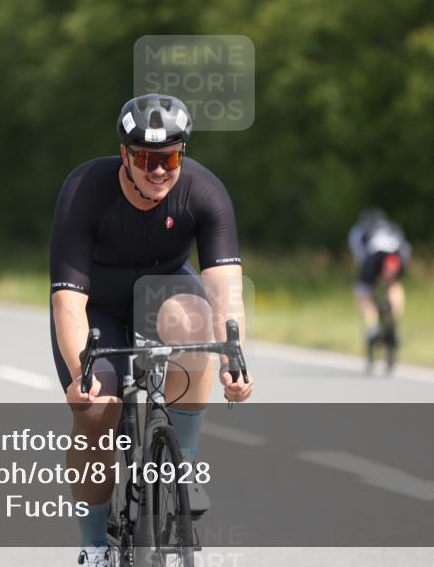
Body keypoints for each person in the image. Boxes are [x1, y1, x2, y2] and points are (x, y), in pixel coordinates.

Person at [49, 93, 254, 566]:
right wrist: (85, 377)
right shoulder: (84, 190)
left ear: (182, 154)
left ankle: (182, 461)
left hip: (162, 294)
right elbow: (68, 303)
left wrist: (233, 359)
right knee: (96, 411)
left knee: (199, 322)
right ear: (124, 153)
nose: (157, 170)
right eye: (145, 157)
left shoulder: (203, 191)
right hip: (95, 303)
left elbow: (225, 291)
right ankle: (94, 547)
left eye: (169, 158)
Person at [348, 208, 412, 349]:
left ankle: (373, 327)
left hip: (373, 257)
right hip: (395, 257)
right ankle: (393, 322)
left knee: (363, 293)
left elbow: (360, 254)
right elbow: (406, 249)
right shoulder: (393, 228)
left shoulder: (359, 229)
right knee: (395, 286)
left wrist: (367, 275)